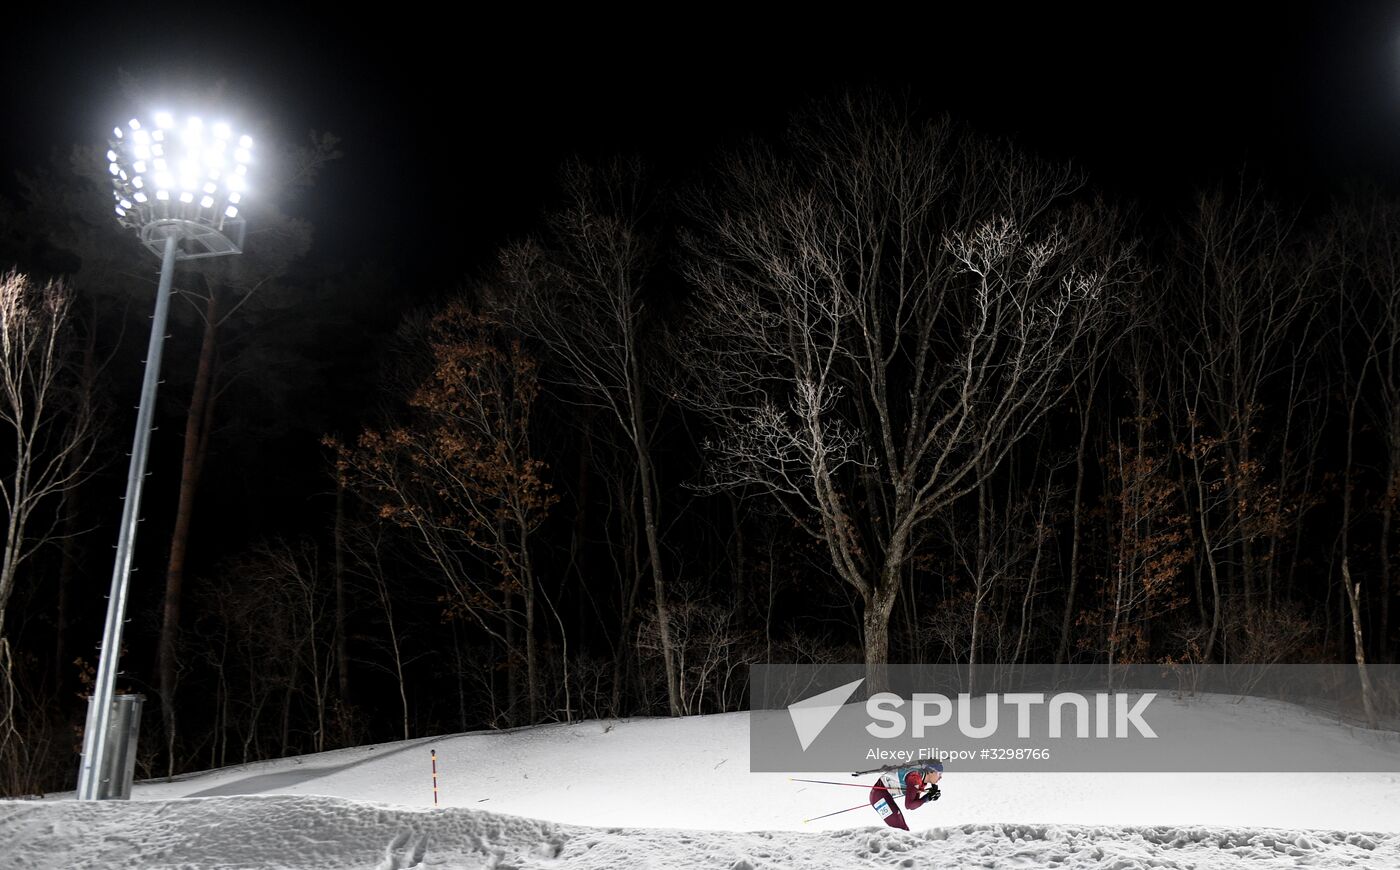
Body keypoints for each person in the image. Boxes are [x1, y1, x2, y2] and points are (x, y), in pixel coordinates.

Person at [867, 760, 942, 831]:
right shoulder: (915, 779)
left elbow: (914, 802)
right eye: (939, 773)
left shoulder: (921, 779)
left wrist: (928, 797)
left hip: (882, 794)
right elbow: (909, 805)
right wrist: (926, 798)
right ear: (931, 771)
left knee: (902, 831)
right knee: (902, 830)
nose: (941, 777)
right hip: (878, 796)